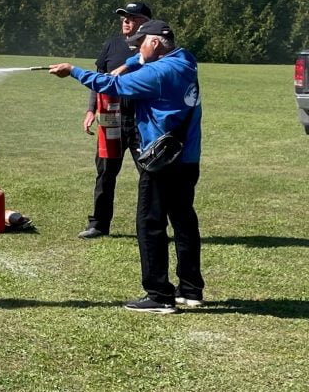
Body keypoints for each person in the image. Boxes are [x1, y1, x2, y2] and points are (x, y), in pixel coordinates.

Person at [49, 19, 204, 314]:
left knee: (150, 224)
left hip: (161, 163)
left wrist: (73, 71)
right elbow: (138, 61)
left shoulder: (157, 74)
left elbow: (112, 85)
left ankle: (159, 295)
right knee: (184, 221)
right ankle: (191, 289)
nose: (135, 49)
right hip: (187, 158)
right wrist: (130, 62)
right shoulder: (185, 59)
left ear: (155, 42)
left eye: (140, 43)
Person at [77, 1, 152, 239]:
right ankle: (98, 224)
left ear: (145, 22)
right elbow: (98, 80)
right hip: (111, 119)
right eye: (123, 18)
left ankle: (150, 226)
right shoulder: (112, 44)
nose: (125, 21)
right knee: (106, 172)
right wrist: (91, 110)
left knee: (150, 173)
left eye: (131, 17)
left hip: (143, 120)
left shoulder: (152, 47)